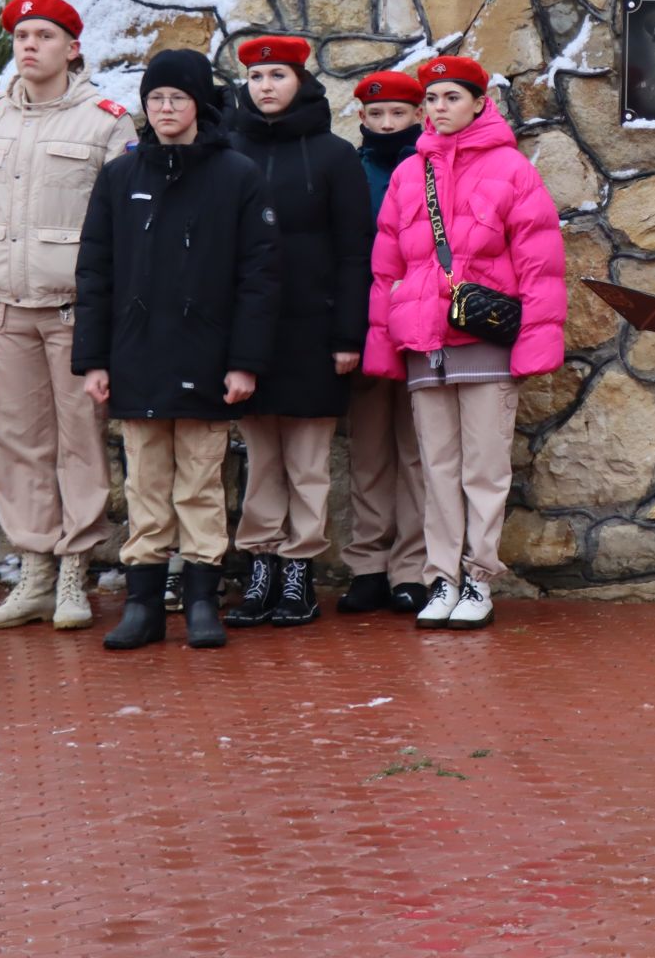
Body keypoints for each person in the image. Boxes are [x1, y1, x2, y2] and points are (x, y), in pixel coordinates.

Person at [72, 49, 281, 651]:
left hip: (209, 358)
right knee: (145, 484)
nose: (165, 109)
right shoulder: (120, 176)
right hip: (136, 356)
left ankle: (200, 602)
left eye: (177, 99)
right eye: (156, 99)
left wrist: (245, 362)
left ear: (198, 105)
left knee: (199, 484)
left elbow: (259, 277)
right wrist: (93, 359)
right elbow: (95, 271)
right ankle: (141, 605)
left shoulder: (237, 175)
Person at [363, 56, 566, 632]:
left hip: (483, 342)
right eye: (432, 99)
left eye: (452, 97)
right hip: (424, 346)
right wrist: (384, 346)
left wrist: (533, 348)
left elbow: (541, 264)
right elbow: (386, 268)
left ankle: (478, 577)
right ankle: (442, 578)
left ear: (480, 102)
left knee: (483, 469)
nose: (439, 108)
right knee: (437, 470)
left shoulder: (511, 170)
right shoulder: (409, 174)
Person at [0, 0, 132, 633]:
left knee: (81, 441)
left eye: (43, 35)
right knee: (19, 442)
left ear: (73, 47)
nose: (28, 45)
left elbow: (122, 231)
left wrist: (107, 311)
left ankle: (74, 570)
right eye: (21, 35)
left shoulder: (106, 122)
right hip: (6, 310)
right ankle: (34, 568)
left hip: (72, 311)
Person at [222, 36, 373, 630]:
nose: (265, 87)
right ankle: (260, 563)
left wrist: (347, 335)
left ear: (300, 82)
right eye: (257, 78)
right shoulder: (229, 151)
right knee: (261, 457)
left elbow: (354, 252)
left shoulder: (335, 156)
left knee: (308, 461)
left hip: (314, 329)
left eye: (277, 76)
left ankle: (299, 572)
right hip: (249, 332)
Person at [340, 70, 429, 615]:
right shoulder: (349, 170)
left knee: (418, 451)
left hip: (421, 321)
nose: (388, 124)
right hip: (367, 324)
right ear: (362, 118)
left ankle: (412, 569)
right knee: (369, 451)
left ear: (418, 116)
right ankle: (367, 565)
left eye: (399, 114)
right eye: (378, 115)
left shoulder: (434, 166)